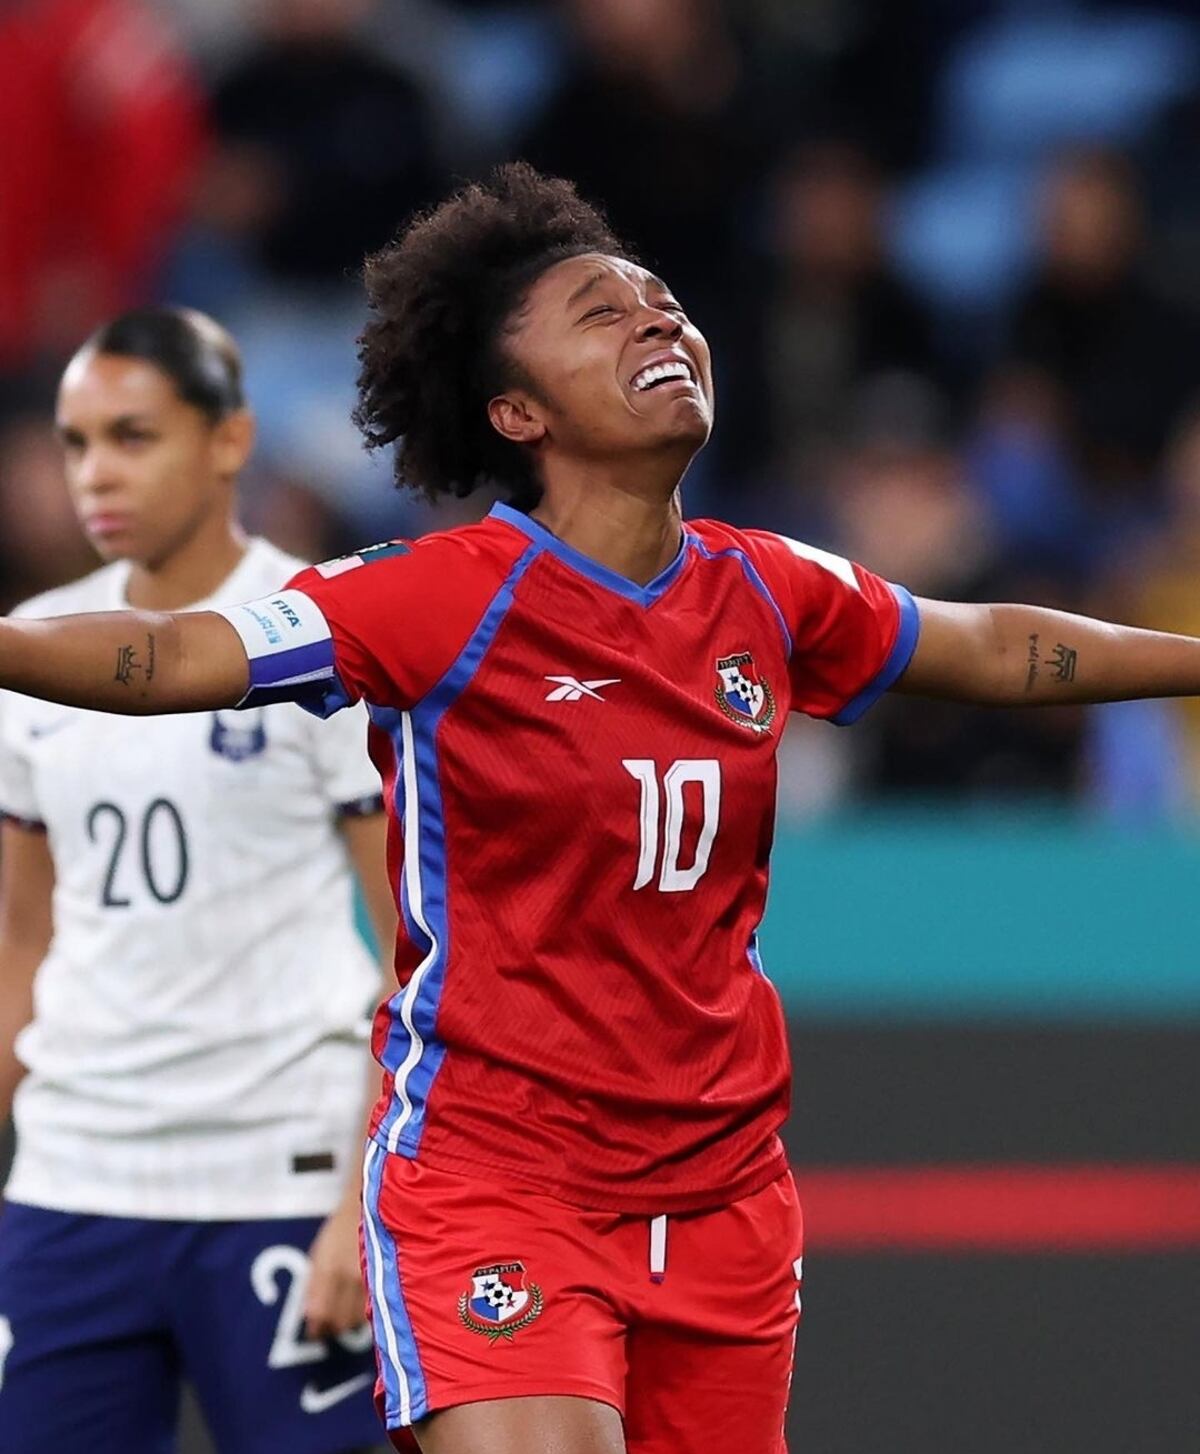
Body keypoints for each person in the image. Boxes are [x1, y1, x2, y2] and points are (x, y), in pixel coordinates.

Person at [0, 166, 1198, 1454]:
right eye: (599, 312)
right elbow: (168, 655)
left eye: (663, 302)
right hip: (495, 1173)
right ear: (517, 410)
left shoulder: (771, 586)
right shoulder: (438, 598)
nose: (656, 322)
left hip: (724, 1186)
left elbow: (996, 646)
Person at [0, 308, 396, 1454]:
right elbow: (22, 948)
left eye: (133, 435)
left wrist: (360, 1207)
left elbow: (411, 949)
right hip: (76, 1178)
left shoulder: (322, 640)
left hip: (276, 1172)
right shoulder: (35, 645)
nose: (96, 474)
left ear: (230, 441)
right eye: (76, 444)